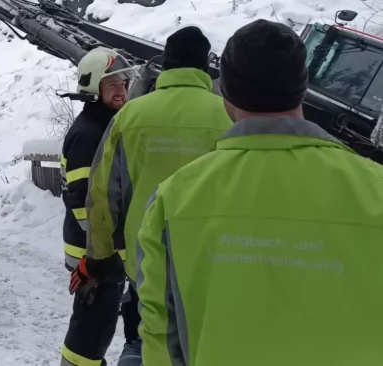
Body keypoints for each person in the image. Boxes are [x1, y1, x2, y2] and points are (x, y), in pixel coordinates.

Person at [137, 19, 383, 365]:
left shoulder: (173, 199)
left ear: (226, 93)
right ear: (303, 86)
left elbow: (161, 334)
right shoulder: (375, 189)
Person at [80, 27, 232, 366]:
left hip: (145, 259)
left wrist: (99, 259)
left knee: (140, 342)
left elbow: (103, 194)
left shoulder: (131, 116)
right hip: (214, 258)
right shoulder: (228, 116)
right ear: (204, 66)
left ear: (166, 63)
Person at [58, 47, 135, 366]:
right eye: (112, 84)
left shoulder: (107, 124)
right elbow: (83, 203)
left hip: (99, 250)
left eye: (124, 83)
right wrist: (97, 259)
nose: (122, 90)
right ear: (93, 88)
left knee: (102, 318)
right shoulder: (89, 134)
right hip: (92, 254)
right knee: (93, 325)